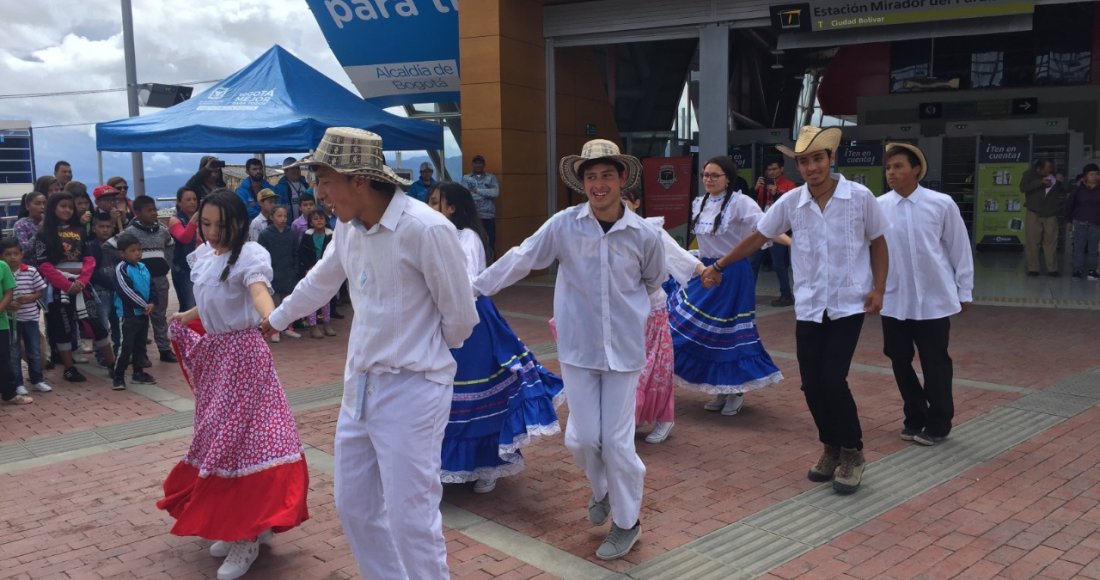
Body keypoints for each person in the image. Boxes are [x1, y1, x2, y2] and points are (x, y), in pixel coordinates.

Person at [262, 128, 478, 580]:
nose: (318, 193)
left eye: (324, 180)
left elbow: (460, 317)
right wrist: (276, 319)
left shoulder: (425, 229)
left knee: (410, 516)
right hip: (359, 385)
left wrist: (419, 353)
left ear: (358, 180)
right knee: (355, 505)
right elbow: (322, 281)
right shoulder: (348, 229)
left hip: (413, 388)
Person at [473, 139, 664, 560]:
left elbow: (653, 283)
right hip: (578, 347)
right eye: (591, 177)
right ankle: (603, 490)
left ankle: (627, 522)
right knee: (580, 439)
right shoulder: (563, 225)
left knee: (616, 442)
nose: (599, 184)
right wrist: (472, 289)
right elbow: (522, 258)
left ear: (622, 179)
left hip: (625, 351)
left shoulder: (645, 233)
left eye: (606, 176)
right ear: (582, 183)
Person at [702, 126, 889, 495]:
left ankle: (853, 452)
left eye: (817, 159)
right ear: (798, 167)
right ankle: (830, 447)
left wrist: (879, 288)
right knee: (811, 383)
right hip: (809, 305)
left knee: (833, 380)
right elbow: (758, 236)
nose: (811, 167)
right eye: (804, 161)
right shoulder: (792, 202)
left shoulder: (860, 197)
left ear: (830, 160)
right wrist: (719, 265)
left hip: (847, 304)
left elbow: (879, 242)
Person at [160, 190, 309, 580]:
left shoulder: (250, 256)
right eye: (205, 224)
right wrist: (185, 315)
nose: (211, 232)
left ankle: (247, 535)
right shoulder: (207, 258)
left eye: (219, 225)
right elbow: (211, 303)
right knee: (218, 441)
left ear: (238, 223)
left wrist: (272, 318)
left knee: (243, 444)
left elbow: (259, 291)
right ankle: (239, 525)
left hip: (244, 359)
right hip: (217, 361)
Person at [428, 182, 564, 493]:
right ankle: (446, 464)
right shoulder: (433, 237)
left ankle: (487, 464)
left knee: (477, 398)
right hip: (442, 322)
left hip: (472, 325)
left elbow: (465, 283)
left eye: (436, 202)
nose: (430, 207)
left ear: (452, 208)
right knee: (443, 399)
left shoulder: (467, 238)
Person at [671, 156, 785, 417]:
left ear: (728, 178)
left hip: (733, 273)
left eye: (715, 175)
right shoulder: (699, 204)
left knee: (729, 332)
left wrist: (792, 244)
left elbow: (766, 229)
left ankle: (734, 390)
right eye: (705, 175)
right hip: (707, 271)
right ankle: (721, 387)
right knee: (692, 326)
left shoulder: (741, 202)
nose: (708, 180)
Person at [879, 143, 973, 447]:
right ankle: (915, 415)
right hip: (894, 300)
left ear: (916, 169)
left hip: (933, 300)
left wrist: (964, 288)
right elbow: (870, 251)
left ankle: (939, 422)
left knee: (935, 362)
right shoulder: (879, 206)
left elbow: (959, 246)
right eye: (889, 167)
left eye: (898, 167)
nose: (891, 173)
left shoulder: (941, 203)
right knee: (898, 359)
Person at [619, 190, 704, 444]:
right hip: (623, 315)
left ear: (636, 203)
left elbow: (678, 256)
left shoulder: (650, 230)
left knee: (654, 369)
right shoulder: (604, 233)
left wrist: (706, 272)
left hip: (652, 312)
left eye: (625, 200)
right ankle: (632, 418)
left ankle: (664, 418)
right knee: (626, 372)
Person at [33, 192, 118, 382]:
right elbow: (44, 265)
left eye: (70, 207)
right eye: (63, 206)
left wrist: (83, 280)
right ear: (53, 208)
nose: (67, 210)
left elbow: (89, 259)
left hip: (82, 286)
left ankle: (112, 363)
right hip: (59, 289)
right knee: (63, 327)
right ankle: (69, 367)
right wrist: (65, 284)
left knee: (97, 323)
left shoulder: (80, 231)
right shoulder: (43, 234)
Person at [122, 196, 176, 363]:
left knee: (159, 315)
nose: (154, 213)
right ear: (137, 213)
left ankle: (165, 349)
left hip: (159, 279)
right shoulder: (129, 232)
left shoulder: (162, 230)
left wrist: (166, 263)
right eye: (149, 210)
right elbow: (115, 247)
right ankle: (140, 353)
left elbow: (170, 245)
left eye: (155, 209)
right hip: (139, 281)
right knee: (140, 318)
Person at [2, 238, 49, 396]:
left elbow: (40, 291)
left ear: (22, 254)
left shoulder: (31, 271)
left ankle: (37, 380)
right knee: (13, 352)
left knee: (34, 350)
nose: (12, 257)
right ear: (2, 256)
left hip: (30, 318)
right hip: (10, 320)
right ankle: (18, 383)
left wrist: (29, 297)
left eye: (16, 253)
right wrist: (8, 305)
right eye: (8, 254)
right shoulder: (3, 272)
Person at [111, 233, 157, 390]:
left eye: (139, 249)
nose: (137, 253)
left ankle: (138, 372)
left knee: (140, 344)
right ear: (122, 253)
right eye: (132, 250)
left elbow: (151, 286)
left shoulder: (143, 267)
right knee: (126, 346)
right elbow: (126, 291)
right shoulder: (122, 269)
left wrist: (152, 302)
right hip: (129, 314)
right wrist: (144, 305)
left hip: (144, 313)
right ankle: (118, 375)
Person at [751, 158, 797, 307]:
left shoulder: (790, 185)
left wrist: (777, 194)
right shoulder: (763, 185)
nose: (772, 172)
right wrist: (755, 189)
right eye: (769, 170)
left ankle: (786, 295)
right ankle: (747, 295)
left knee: (778, 264)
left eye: (775, 169)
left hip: (779, 230)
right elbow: (752, 206)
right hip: (761, 229)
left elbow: (790, 208)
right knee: (754, 262)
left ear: (781, 169)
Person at [1020, 158, 1070, 277]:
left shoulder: (1056, 176)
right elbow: (1023, 188)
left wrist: (1062, 181)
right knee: (1032, 242)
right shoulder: (1029, 174)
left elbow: (1068, 189)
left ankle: (1052, 269)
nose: (1050, 170)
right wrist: (1040, 182)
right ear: (1039, 168)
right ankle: (1033, 269)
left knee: (1051, 243)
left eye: (1051, 168)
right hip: (1033, 212)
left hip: (1050, 214)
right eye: (1047, 168)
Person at [258, 206, 300, 342]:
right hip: (273, 273)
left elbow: (295, 252)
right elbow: (261, 255)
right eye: (279, 216)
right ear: (271, 217)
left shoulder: (291, 233)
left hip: (288, 272)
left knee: (288, 302)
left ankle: (289, 327)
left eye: (285, 216)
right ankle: (274, 330)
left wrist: (295, 269)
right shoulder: (265, 234)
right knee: (274, 303)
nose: (283, 219)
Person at [296, 210, 334, 339]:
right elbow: (302, 253)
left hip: (326, 271)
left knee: (326, 298)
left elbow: (333, 253)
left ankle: (327, 323)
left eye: (321, 218)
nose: (319, 221)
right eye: (316, 219)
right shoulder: (307, 236)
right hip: (311, 271)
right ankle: (313, 325)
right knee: (312, 297)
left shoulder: (330, 235)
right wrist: (308, 266)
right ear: (311, 223)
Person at [89, 213, 123, 357]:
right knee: (101, 323)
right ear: (94, 228)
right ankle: (101, 354)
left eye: (108, 227)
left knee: (118, 323)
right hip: (100, 291)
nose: (104, 230)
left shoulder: (117, 245)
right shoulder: (90, 246)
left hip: (118, 291)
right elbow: (91, 271)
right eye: (101, 227)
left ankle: (118, 351)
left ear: (113, 228)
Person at [1065, 163, 1100, 280]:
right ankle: (1077, 270)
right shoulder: (1078, 190)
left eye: (1096, 174)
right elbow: (1070, 205)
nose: (1094, 176)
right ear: (1085, 176)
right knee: (1078, 248)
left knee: (1093, 249)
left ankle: (1092, 270)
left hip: (1096, 223)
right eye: (1091, 174)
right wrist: (1068, 221)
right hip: (1079, 223)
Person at [168, 187, 200, 311]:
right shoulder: (175, 220)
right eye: (188, 200)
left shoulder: (204, 219)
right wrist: (194, 219)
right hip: (184, 270)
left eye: (194, 199)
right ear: (179, 202)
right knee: (189, 306)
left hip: (202, 267)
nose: (192, 202)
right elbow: (184, 238)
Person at [462, 154, 500, 251]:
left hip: (488, 217)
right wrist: (486, 192)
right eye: (476, 163)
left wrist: (476, 190)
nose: (478, 165)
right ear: (472, 164)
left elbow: (495, 193)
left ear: (484, 165)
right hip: (473, 216)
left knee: (490, 244)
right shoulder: (466, 178)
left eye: (480, 163)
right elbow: (466, 195)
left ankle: (491, 265)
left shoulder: (491, 178)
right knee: (474, 245)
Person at [0, 255, 25, 405]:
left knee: (3, 359)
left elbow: (9, 293)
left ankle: (9, 393)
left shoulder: (2, 266)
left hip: (1, 323)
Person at [273, 156, 312, 222]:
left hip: (307, 224)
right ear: (285, 171)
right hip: (288, 225)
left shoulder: (306, 185)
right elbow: (277, 208)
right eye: (293, 168)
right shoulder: (279, 188)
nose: (296, 170)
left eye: (297, 168)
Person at [13, 191, 47, 256]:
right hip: (31, 264)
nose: (42, 207)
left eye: (45, 203)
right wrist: (38, 232)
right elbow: (23, 251)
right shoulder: (21, 224)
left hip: (50, 263)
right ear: (27, 206)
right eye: (38, 204)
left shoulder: (51, 222)